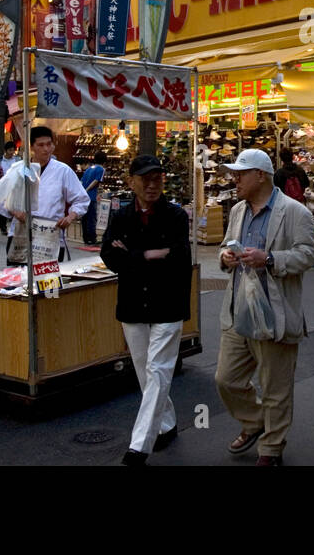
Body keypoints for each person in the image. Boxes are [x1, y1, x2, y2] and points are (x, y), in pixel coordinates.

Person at [215, 148, 314, 466]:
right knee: (225, 379)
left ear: (260, 175)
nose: (234, 180)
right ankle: (258, 420)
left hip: (275, 311)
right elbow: (223, 246)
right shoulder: (237, 211)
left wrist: (270, 259)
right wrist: (225, 257)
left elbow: (309, 254)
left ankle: (271, 449)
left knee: (276, 386)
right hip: (238, 310)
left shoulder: (294, 212)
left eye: (240, 174)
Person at [101, 155, 192, 466]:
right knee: (145, 371)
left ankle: (139, 446)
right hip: (132, 305)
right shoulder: (121, 216)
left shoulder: (176, 216)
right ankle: (166, 424)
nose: (152, 184)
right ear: (131, 182)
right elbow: (108, 256)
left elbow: (178, 258)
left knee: (157, 370)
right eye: (145, 179)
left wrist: (132, 257)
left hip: (168, 304)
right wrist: (151, 255)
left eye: (157, 178)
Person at [3, 126, 89, 263]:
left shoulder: (63, 171)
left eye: (49, 144)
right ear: (31, 147)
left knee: (48, 281)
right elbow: (2, 197)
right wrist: (15, 212)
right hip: (21, 234)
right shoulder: (18, 169)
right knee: (19, 281)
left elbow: (82, 199)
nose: (46, 149)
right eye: (41, 145)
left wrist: (70, 216)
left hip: (50, 235)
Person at [79, 152, 106, 245]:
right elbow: (96, 181)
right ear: (104, 161)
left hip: (83, 197)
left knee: (85, 218)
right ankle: (92, 238)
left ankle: (85, 238)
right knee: (91, 217)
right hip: (91, 196)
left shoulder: (89, 168)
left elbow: (82, 181)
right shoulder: (101, 169)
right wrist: (87, 190)